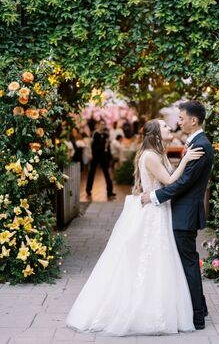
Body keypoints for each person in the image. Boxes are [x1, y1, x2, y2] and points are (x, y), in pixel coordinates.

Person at [66, 119, 204, 335]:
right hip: (153, 213)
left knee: (159, 261)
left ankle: (158, 307)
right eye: (165, 127)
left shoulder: (158, 153)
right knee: (150, 259)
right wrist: (186, 160)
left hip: (159, 210)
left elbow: (166, 177)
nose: (170, 128)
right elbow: (169, 181)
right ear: (156, 133)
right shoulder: (150, 155)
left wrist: (182, 160)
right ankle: (142, 310)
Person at [141, 100, 214, 330]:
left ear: (193, 120)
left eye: (181, 118)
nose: (178, 122)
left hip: (185, 214)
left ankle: (197, 317)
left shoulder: (200, 145)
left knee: (188, 264)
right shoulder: (194, 142)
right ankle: (200, 307)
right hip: (182, 212)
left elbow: (182, 183)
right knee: (187, 262)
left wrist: (154, 197)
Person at [86, 120, 116, 200]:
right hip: (94, 156)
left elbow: (106, 145)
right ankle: (88, 190)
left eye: (104, 124)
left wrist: (107, 146)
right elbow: (89, 144)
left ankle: (110, 191)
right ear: (98, 125)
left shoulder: (106, 134)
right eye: (101, 124)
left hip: (103, 156)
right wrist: (90, 154)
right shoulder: (94, 133)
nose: (103, 126)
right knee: (91, 173)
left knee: (107, 173)